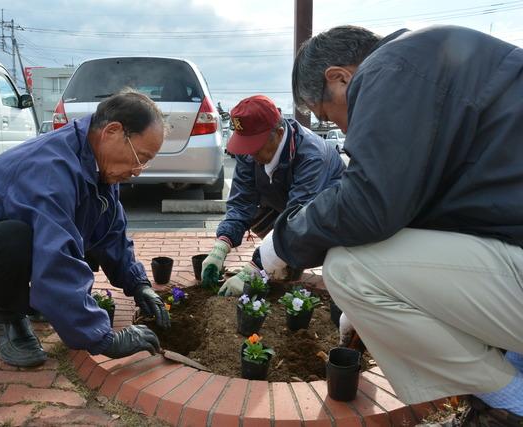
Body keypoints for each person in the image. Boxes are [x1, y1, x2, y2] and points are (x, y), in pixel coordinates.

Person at [257, 25, 523, 425]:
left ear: (340, 77)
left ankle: (510, 404)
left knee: (349, 269)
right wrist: (369, 312)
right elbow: (422, 210)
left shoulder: (391, 67)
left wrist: (284, 241)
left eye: (330, 115)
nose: (345, 131)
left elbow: (368, 204)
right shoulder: (431, 65)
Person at [0, 91, 170, 367]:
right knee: (15, 239)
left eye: (146, 161)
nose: (139, 170)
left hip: (2, 254)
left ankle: (34, 303)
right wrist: (103, 338)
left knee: (85, 237)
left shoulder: (94, 164)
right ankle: (9, 320)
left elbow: (111, 233)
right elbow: (57, 256)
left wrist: (138, 284)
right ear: (112, 131)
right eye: (139, 157)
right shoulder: (52, 170)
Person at [201, 95, 345, 295]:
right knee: (255, 215)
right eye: (245, 145)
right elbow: (242, 201)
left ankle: (288, 259)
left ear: (278, 133)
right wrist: (222, 244)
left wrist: (254, 267)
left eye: (254, 146)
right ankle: (284, 261)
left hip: (325, 217)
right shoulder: (249, 151)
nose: (249, 153)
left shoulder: (312, 156)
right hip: (284, 203)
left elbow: (298, 220)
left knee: (299, 233)